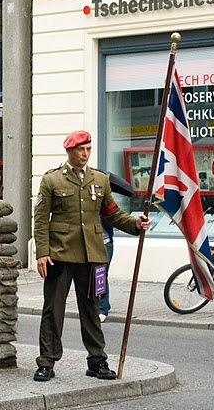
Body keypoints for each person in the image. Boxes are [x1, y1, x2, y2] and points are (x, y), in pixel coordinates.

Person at [32, 130, 151, 382]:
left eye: (88, 149)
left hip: (92, 254)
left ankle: (97, 361)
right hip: (60, 254)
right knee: (53, 310)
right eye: (80, 150)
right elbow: (41, 219)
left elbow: (112, 213)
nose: (85, 154)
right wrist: (42, 253)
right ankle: (47, 362)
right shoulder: (52, 180)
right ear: (69, 151)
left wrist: (134, 224)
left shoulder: (100, 179)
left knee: (92, 309)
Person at [98, 217, 113, 322]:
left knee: (101, 275)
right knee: (97, 276)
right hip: (92, 246)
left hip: (105, 244)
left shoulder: (103, 209)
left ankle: (103, 309)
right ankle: (105, 304)